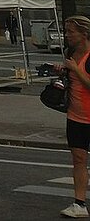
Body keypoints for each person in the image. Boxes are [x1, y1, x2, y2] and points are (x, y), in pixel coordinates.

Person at [62, 15, 90, 218]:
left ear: (84, 34)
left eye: (71, 31)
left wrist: (75, 70)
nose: (67, 35)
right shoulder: (70, 52)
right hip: (76, 115)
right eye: (66, 31)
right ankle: (79, 203)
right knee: (78, 158)